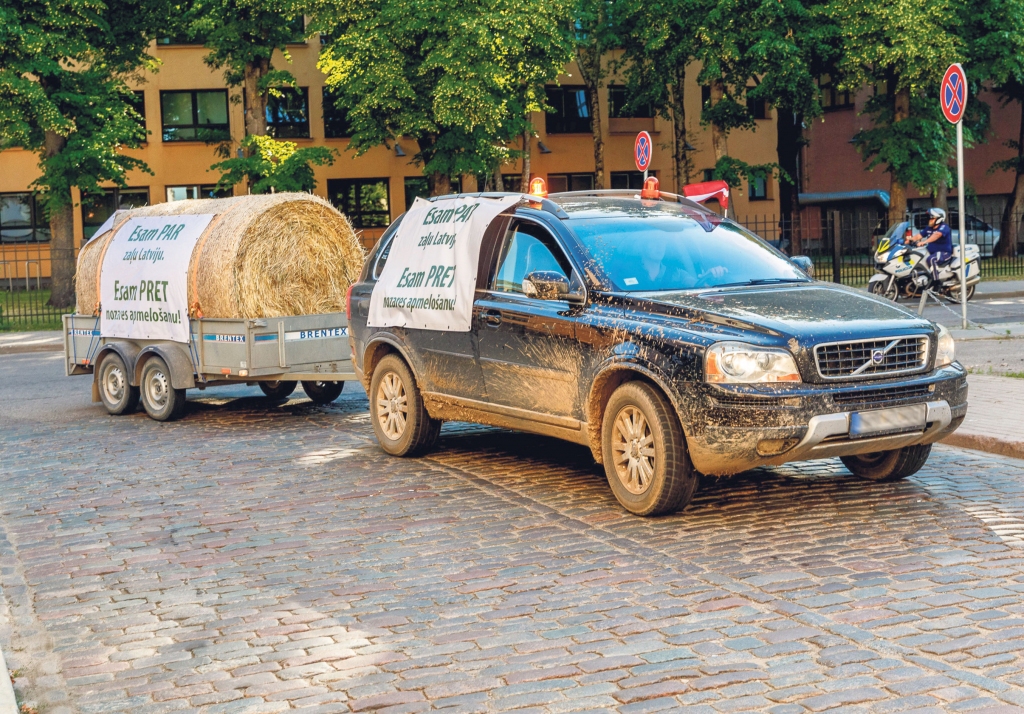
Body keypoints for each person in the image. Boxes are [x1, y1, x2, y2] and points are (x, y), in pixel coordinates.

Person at [909, 207, 953, 278]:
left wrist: (924, 242)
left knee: (931, 259)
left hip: (944, 253)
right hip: (931, 252)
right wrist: (909, 240)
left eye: (932, 218)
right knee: (917, 257)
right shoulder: (928, 228)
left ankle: (937, 281)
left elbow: (936, 235)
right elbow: (919, 236)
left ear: (939, 219)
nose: (930, 220)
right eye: (930, 218)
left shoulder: (944, 227)